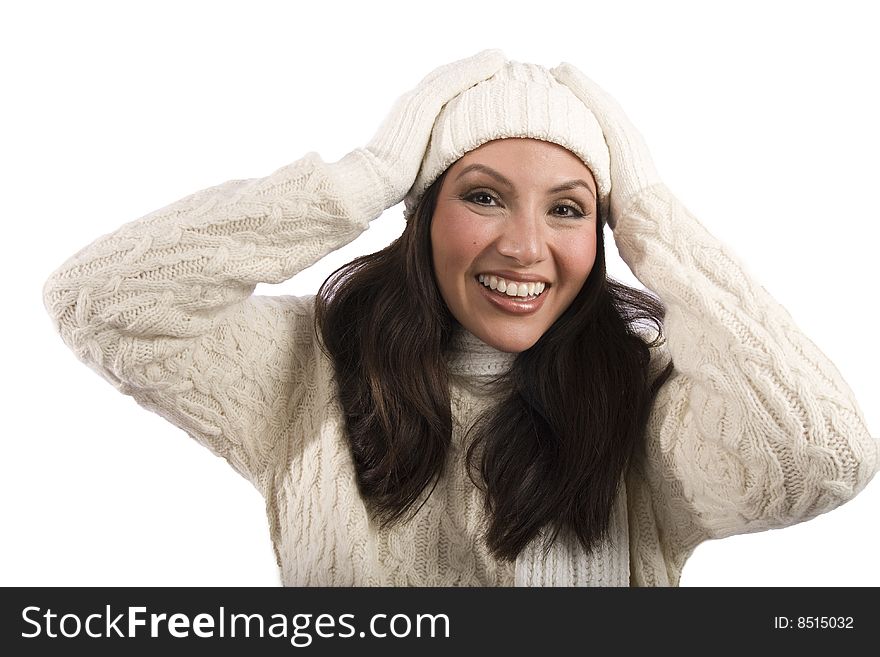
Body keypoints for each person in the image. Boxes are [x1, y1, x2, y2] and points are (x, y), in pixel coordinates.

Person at [42, 49, 878, 586]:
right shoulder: (307, 370)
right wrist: (356, 181)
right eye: (483, 196)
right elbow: (103, 301)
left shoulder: (647, 401)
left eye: (568, 210)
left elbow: (823, 456)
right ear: (421, 214)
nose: (525, 246)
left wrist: (655, 216)